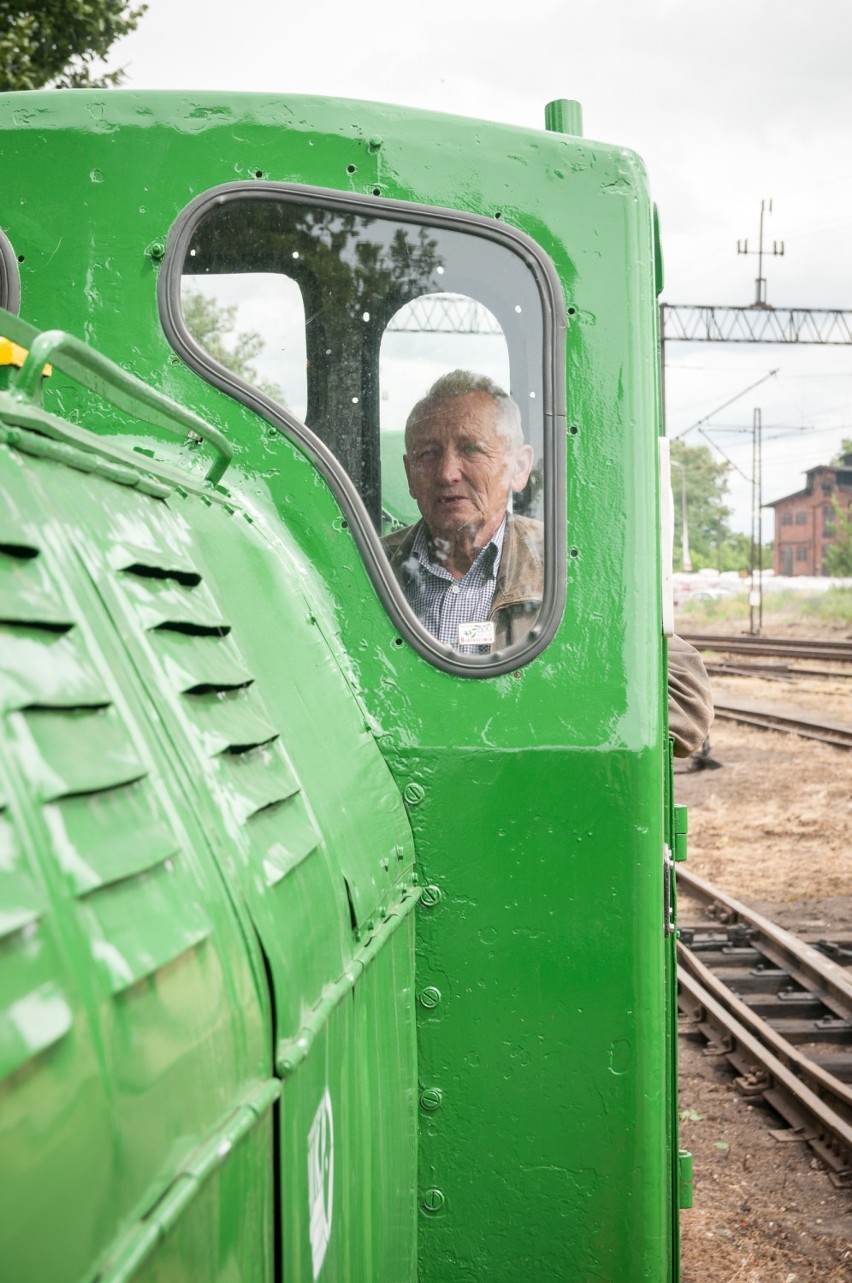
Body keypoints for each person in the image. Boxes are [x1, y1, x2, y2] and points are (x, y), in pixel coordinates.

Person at [383, 369, 712, 756]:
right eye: (428, 454)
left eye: (472, 449)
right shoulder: (368, 566)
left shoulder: (572, 567)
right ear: (409, 473)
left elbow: (686, 705)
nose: (447, 472)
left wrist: (523, 711)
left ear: (519, 468)